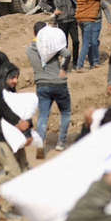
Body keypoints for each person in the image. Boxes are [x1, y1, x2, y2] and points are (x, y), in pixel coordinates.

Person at [0, 62, 31, 219]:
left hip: (14, 138)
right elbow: (5, 110)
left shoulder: (11, 91)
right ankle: (1, 200)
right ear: (4, 76)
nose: (15, 81)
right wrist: (18, 122)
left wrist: (28, 132)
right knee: (15, 174)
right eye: (13, 78)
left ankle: (19, 202)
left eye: (17, 77)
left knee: (24, 171)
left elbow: (21, 111)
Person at [26, 22, 71, 158]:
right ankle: (61, 142)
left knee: (42, 116)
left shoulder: (29, 49)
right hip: (58, 83)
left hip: (41, 84)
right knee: (65, 111)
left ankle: (40, 144)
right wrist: (63, 68)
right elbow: (67, 53)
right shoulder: (52, 45)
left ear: (35, 34)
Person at [39, 0, 79, 69]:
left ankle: (75, 63)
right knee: (63, 44)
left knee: (76, 41)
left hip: (72, 20)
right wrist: (53, 10)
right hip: (61, 21)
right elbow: (42, 2)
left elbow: (76, 1)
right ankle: (64, 65)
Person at [74, 0, 111, 71]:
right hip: (89, 19)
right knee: (87, 43)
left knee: (88, 41)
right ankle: (79, 65)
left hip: (79, 19)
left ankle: (92, 63)